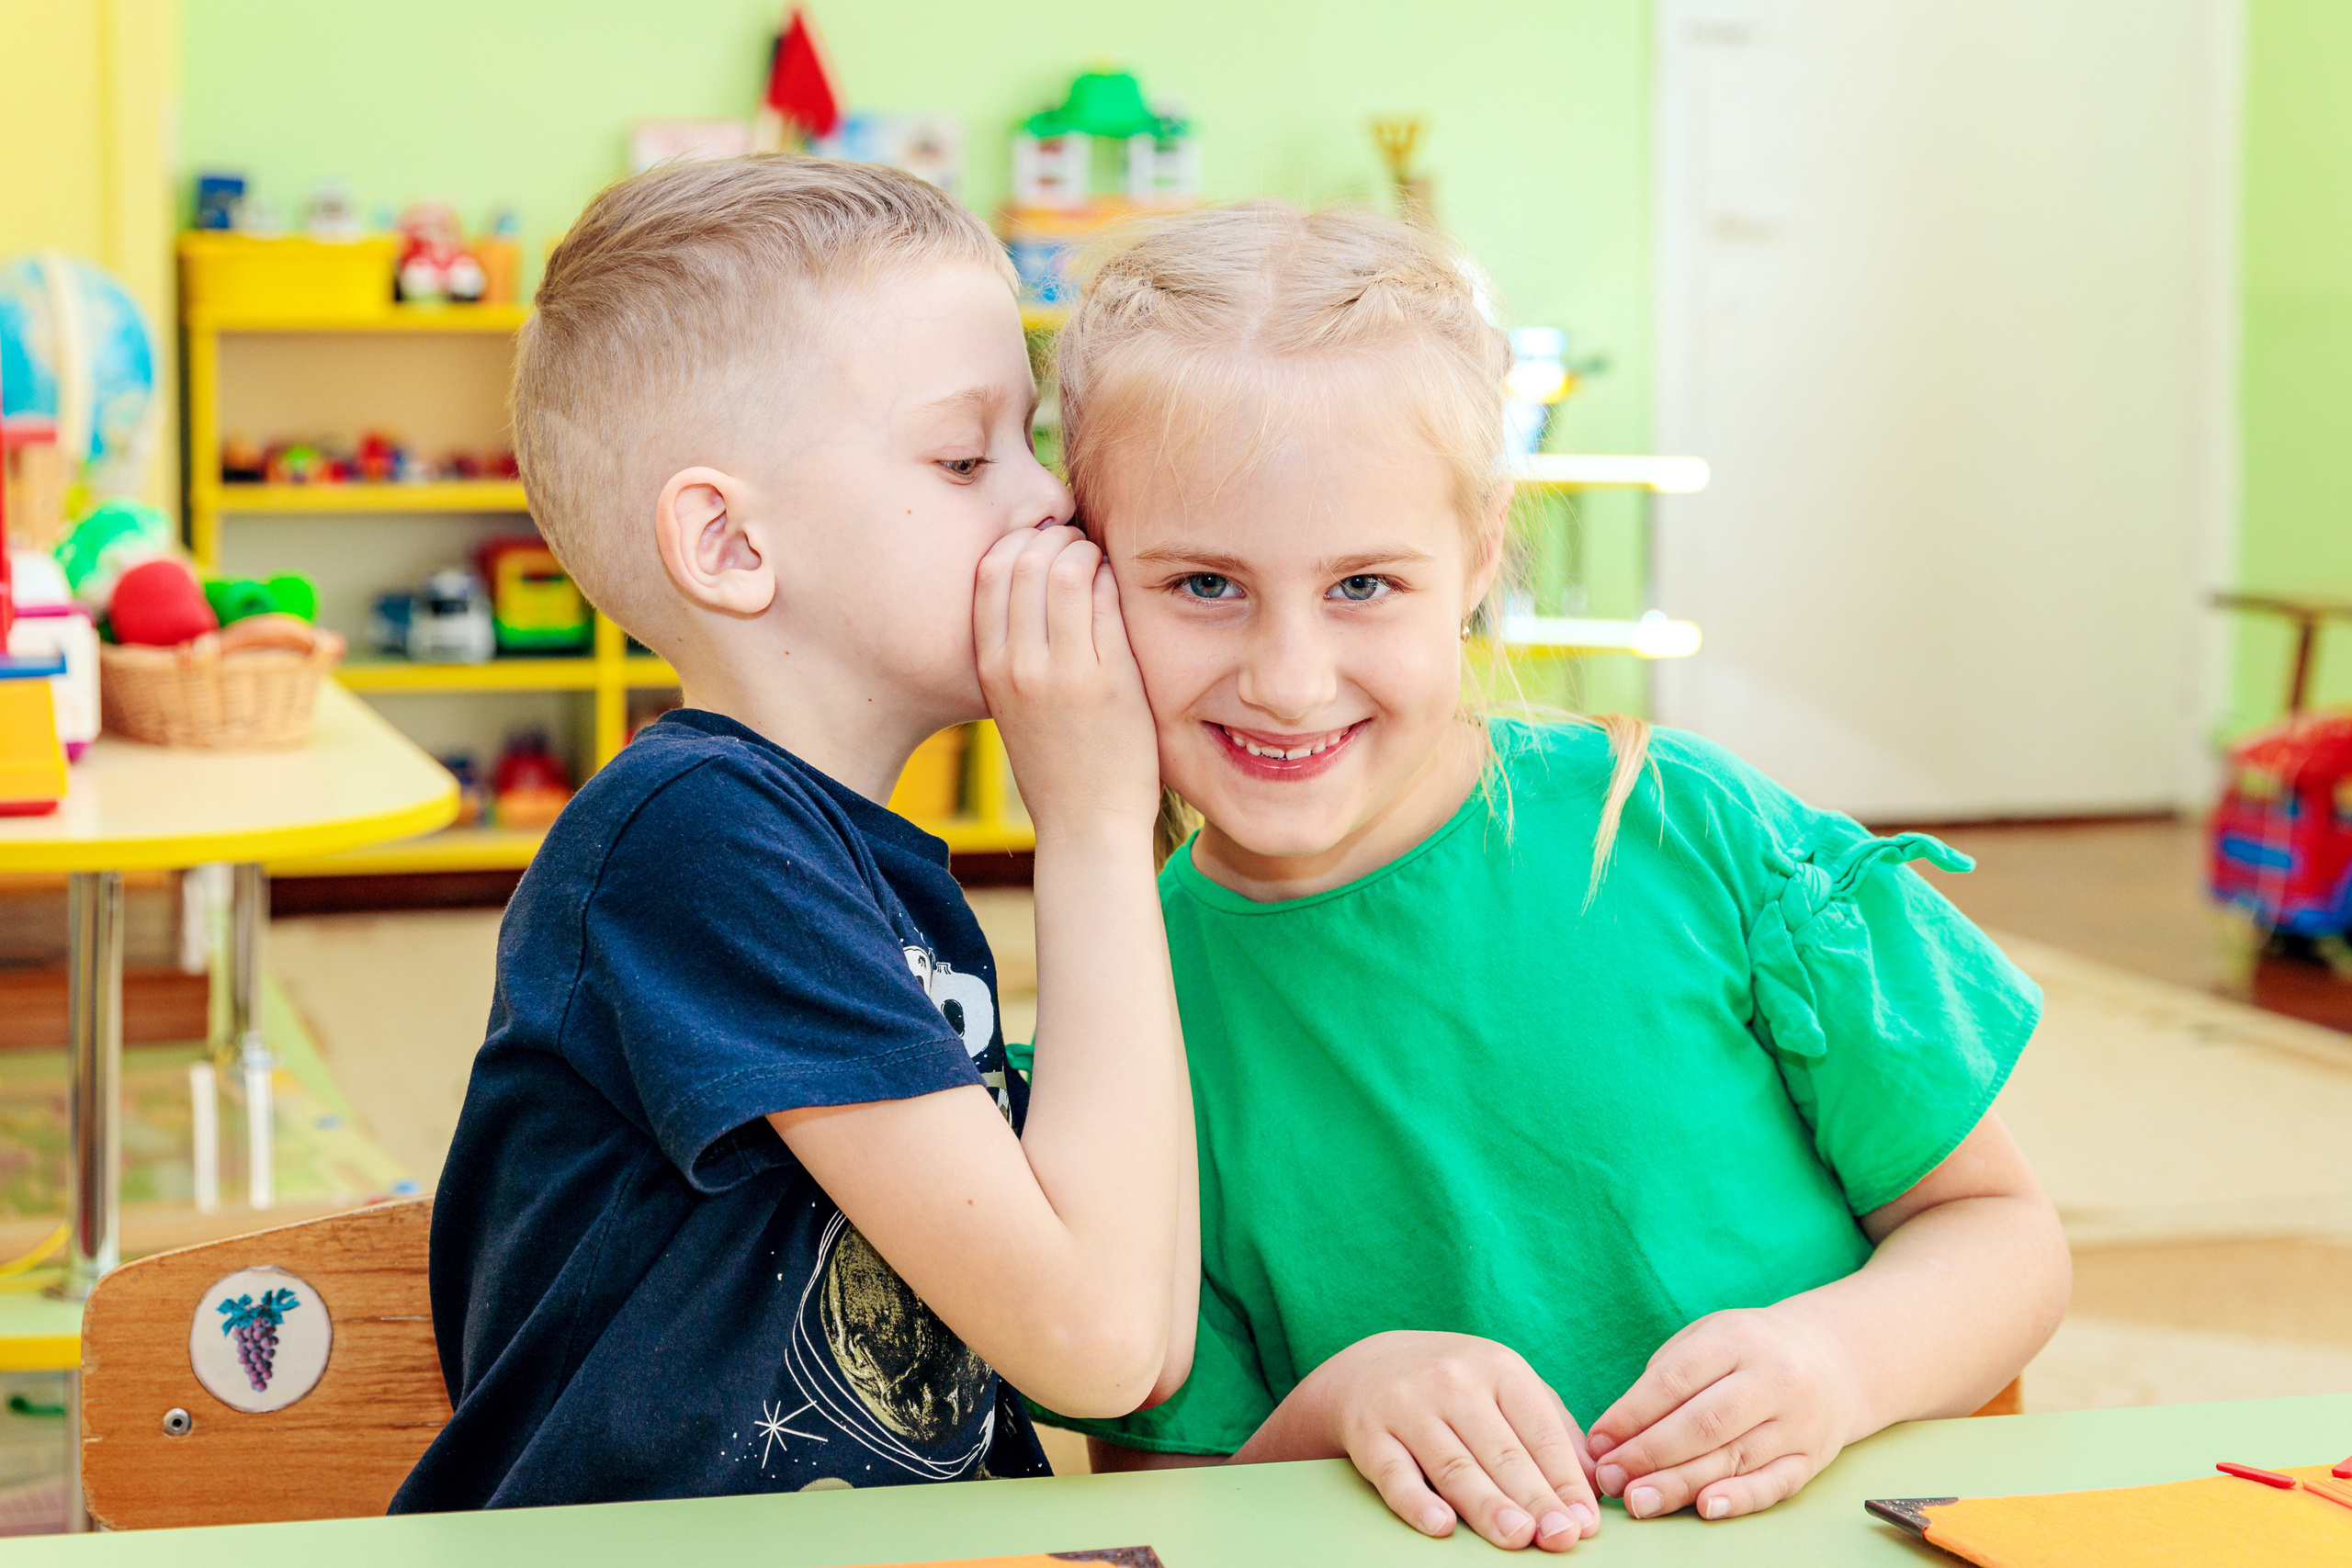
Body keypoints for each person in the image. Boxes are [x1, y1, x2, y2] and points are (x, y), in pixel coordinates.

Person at [1023, 202, 2071, 1552]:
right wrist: (1343, 1401)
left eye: (1362, 586)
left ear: (1474, 557)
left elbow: (2001, 1233)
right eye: (1204, 585)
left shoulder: (1685, 829)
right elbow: (1169, 1512)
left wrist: (1843, 1361)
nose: (1287, 677)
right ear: (1082, 576)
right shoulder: (1130, 1018)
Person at [390, 157, 1193, 1511]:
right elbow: (1099, 1343)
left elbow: (1146, 1335)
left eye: (1032, 443)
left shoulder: (862, 872)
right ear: (729, 542)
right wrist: (1097, 829)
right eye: (963, 455)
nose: (1047, 501)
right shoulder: (695, 844)